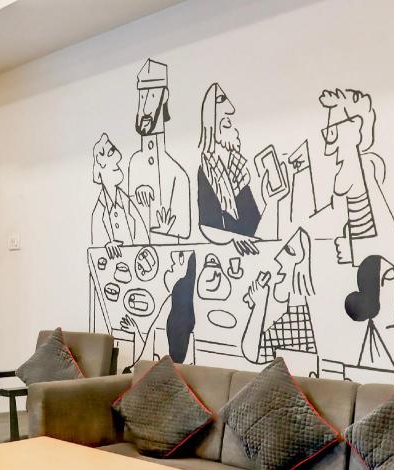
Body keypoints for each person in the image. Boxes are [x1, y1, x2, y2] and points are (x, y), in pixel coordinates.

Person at [319, 88, 394, 266]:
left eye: (332, 131)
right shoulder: (363, 166)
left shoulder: (353, 170)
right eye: (328, 131)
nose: (328, 138)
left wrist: (353, 248)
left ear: (354, 127)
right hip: (364, 248)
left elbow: (335, 211)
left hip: (366, 250)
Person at [128, 59, 191, 241]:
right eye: (142, 96)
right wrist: (136, 197)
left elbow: (183, 232)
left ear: (164, 97)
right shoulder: (134, 163)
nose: (145, 107)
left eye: (152, 95)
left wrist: (165, 231)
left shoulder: (178, 175)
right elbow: (129, 224)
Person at [197, 83, 262, 249]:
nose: (233, 127)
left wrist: (272, 201)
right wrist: (234, 238)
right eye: (227, 122)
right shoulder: (207, 169)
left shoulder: (237, 167)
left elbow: (253, 220)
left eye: (231, 122)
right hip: (224, 252)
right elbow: (207, 225)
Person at [240, 227, 319, 364]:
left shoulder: (297, 315)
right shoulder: (292, 309)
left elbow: (254, 354)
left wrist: (259, 305)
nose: (279, 257)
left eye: (289, 250)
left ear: (300, 261)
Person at [120, 250, 196, 367]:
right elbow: (148, 349)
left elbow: (147, 353)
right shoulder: (173, 303)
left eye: (180, 259)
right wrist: (136, 331)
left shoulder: (175, 305)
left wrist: (136, 332)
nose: (171, 265)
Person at [91, 133, 149, 259]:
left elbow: (145, 240)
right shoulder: (99, 214)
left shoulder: (128, 202)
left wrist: (146, 190)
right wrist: (105, 247)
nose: (118, 158)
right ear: (99, 170)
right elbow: (95, 255)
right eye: (110, 154)